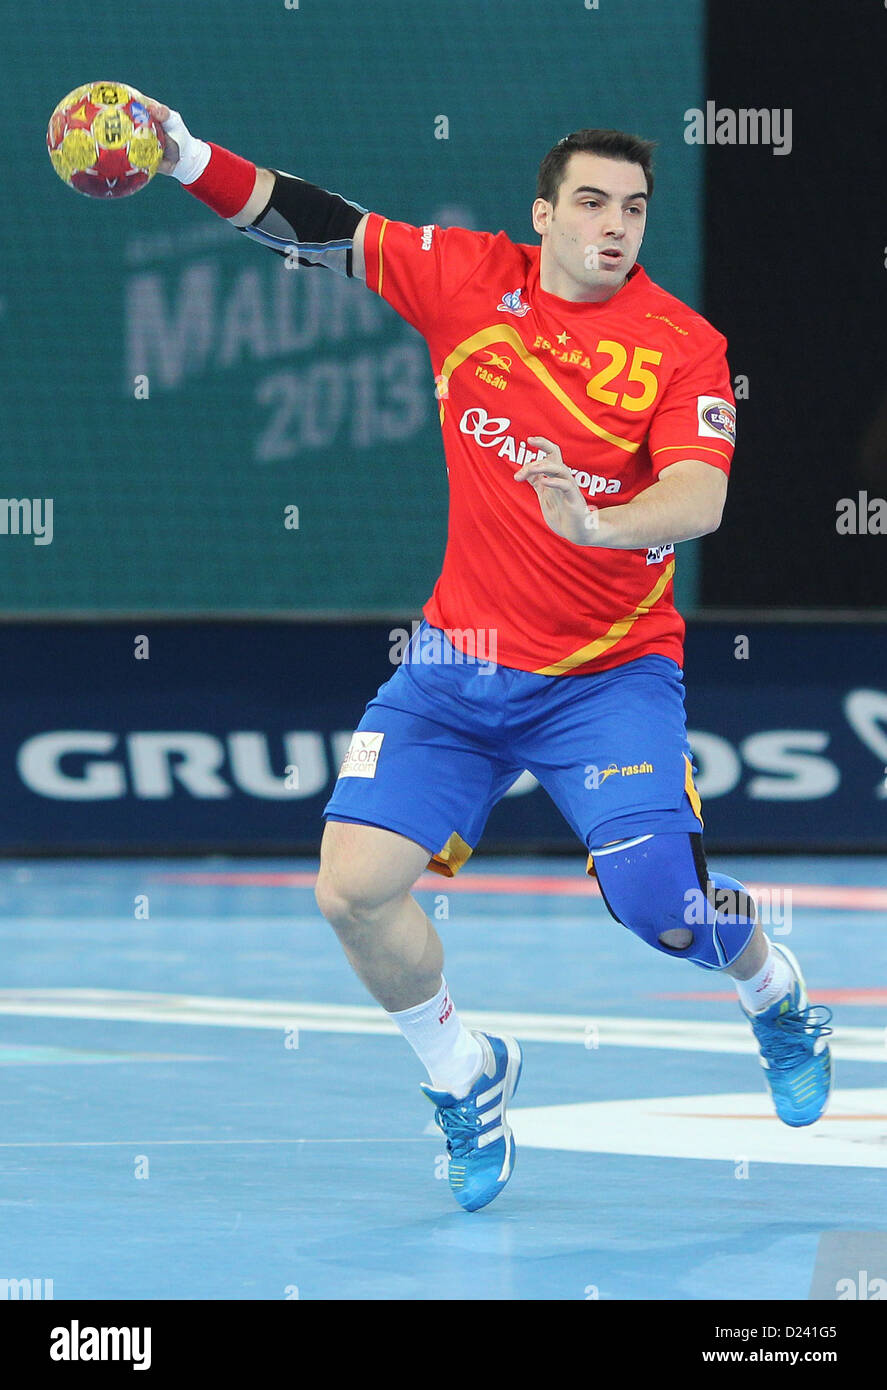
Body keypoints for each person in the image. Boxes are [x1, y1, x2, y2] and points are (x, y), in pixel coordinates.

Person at [142, 99, 833, 1212]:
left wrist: (600, 525)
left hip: (607, 674)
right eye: (593, 204)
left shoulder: (680, 343)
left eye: (635, 210)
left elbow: (698, 496)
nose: (615, 227)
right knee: (352, 892)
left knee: (665, 908)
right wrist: (181, 154)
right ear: (541, 214)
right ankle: (466, 1075)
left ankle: (773, 991)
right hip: (455, 669)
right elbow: (313, 222)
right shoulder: (467, 281)